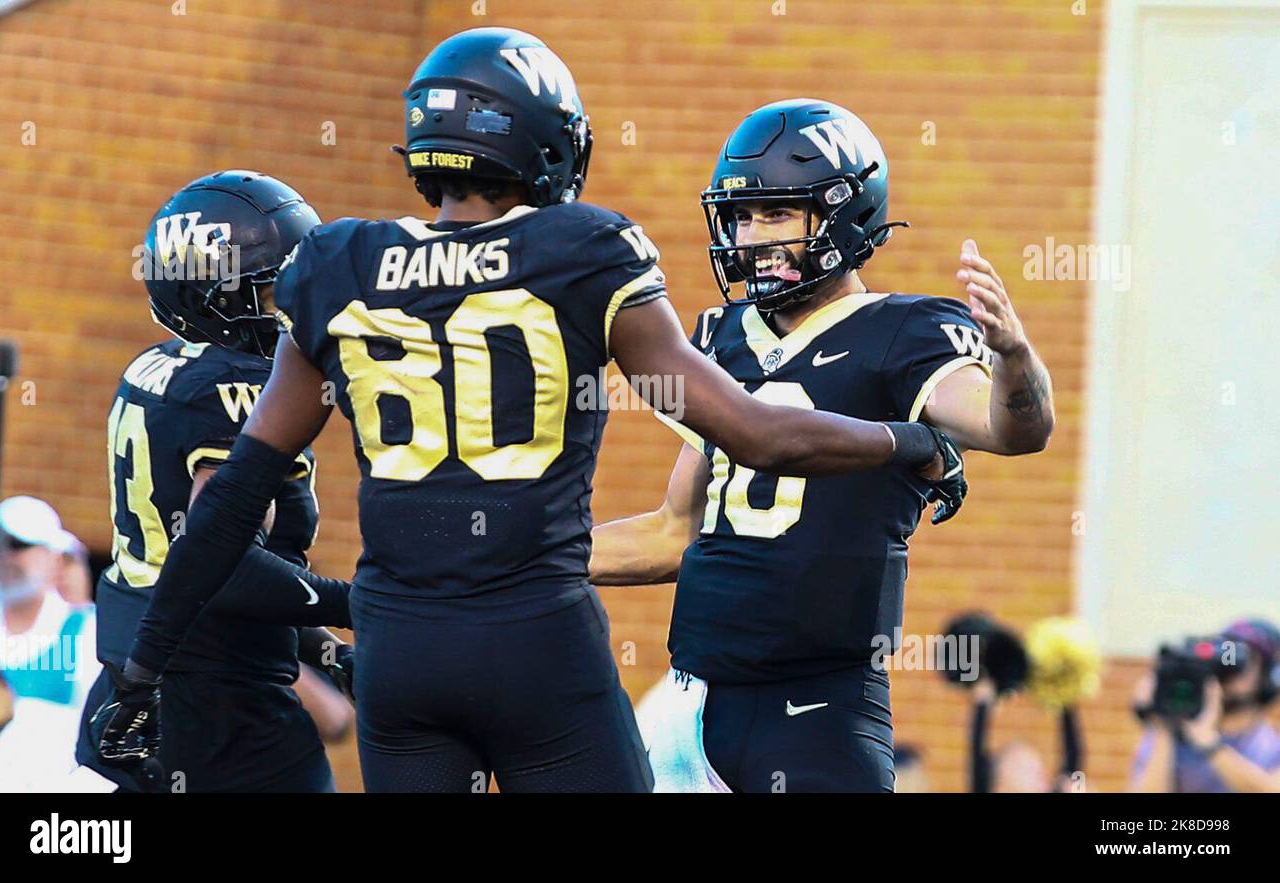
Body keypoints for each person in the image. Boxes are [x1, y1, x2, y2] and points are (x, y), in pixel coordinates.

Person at [95, 28, 966, 793]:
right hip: (534, 639)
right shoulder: (583, 250)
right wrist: (912, 439)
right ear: (545, 144)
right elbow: (755, 431)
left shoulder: (338, 262)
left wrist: (138, 672)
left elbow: (234, 498)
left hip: (401, 648)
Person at [593, 99, 1056, 792]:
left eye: (777, 213)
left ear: (843, 214)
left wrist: (1015, 354)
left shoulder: (904, 329)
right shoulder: (719, 337)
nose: (753, 235)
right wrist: (521, 561)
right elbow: (673, 532)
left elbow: (1011, 429)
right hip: (688, 705)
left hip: (817, 713)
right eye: (742, 215)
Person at [74, 172, 355, 793]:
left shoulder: (155, 367)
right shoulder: (235, 387)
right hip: (221, 704)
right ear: (214, 296)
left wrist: (332, 652)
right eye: (270, 293)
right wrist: (367, 605)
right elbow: (226, 565)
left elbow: (197, 568)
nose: (290, 310)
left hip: (148, 679)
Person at [0, 496, 100, 791]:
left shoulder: (89, 629)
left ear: (54, 557)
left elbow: (103, 742)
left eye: (18, 545)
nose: (2, 555)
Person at [1130, 619, 1280, 793]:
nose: (1231, 664)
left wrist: (1210, 744)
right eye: (1226, 654)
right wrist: (1163, 720)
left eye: (1246, 658)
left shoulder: (1270, 747)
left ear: (1267, 675)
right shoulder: (1174, 735)